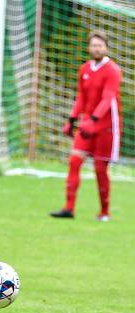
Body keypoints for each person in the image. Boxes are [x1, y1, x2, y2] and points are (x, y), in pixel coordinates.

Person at [50, 31, 122, 222]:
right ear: (88, 47)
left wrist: (94, 120)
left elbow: (108, 99)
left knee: (100, 169)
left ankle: (104, 212)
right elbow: (81, 97)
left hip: (106, 127)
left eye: (100, 45)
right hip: (87, 125)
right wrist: (72, 120)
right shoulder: (84, 69)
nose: (96, 48)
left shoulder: (113, 70)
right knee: (74, 162)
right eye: (93, 45)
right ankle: (69, 208)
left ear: (106, 47)